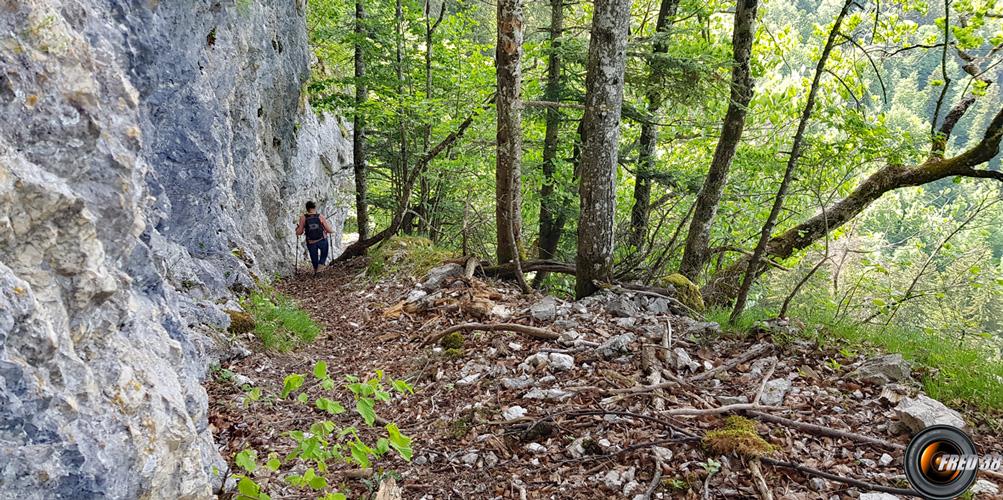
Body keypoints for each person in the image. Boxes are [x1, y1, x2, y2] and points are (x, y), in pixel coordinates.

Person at [295, 201, 335, 275]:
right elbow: (328, 229)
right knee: (324, 253)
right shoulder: (320, 216)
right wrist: (332, 231)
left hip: (311, 241)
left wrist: (296, 230)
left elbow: (300, 232)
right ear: (314, 208)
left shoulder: (303, 217)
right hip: (322, 239)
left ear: (307, 208)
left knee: (314, 256)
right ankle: (320, 268)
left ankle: (316, 270)